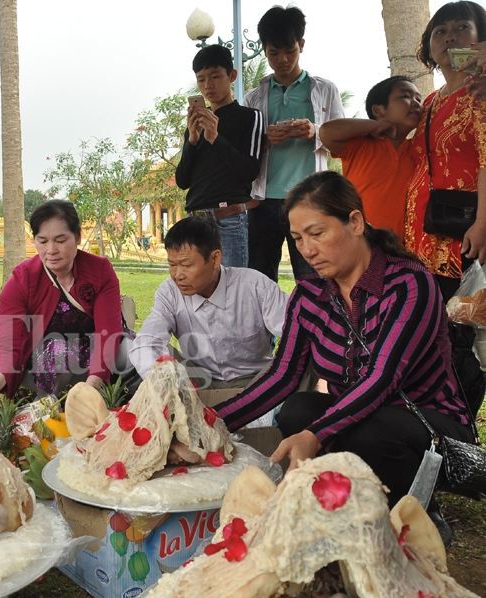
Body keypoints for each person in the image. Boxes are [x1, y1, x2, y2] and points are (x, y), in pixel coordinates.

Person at [216, 171, 473, 545]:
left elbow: (382, 378)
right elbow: (282, 376)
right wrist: (211, 422)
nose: (307, 250)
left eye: (317, 234)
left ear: (354, 222)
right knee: (297, 409)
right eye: (298, 238)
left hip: (430, 426)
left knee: (366, 428)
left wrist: (314, 435)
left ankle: (415, 505)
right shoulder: (308, 295)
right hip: (359, 415)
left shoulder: (410, 285)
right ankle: (346, 498)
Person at [0, 200, 132, 407]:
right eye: (42, 241)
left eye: (61, 240)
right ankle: (45, 407)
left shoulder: (100, 271)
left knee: (134, 349)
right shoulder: (22, 279)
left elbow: (108, 332)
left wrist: (92, 387)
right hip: (42, 362)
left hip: (96, 358)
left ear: (78, 237)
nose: (51, 250)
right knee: (56, 349)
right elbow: (9, 340)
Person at [405, 1, 486, 416]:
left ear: (480, 36)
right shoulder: (432, 101)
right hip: (424, 234)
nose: (450, 36)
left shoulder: (481, 90)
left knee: (461, 334)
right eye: (440, 31)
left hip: (468, 234)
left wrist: (484, 224)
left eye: (461, 27)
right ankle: (439, 418)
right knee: (436, 331)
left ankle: (462, 427)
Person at [245, 5, 344, 281]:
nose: (283, 59)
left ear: (301, 44)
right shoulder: (254, 97)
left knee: (312, 274)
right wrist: (265, 140)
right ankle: (263, 326)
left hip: (310, 198)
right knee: (260, 276)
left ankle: (313, 324)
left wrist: (316, 131)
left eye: (290, 51)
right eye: (274, 53)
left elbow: (342, 143)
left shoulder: (324, 89)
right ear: (264, 49)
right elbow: (244, 151)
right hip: (263, 200)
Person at [129, 217, 287, 390]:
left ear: (215, 258)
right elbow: (146, 343)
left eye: (186, 264)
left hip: (256, 383)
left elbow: (297, 331)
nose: (178, 275)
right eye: (172, 265)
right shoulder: (169, 293)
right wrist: (163, 388)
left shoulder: (255, 287)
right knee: (149, 349)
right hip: (199, 384)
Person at [175, 44, 264, 268]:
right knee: (197, 291)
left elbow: (250, 171)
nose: (208, 86)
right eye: (201, 79)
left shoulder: (250, 117)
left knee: (232, 291)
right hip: (195, 220)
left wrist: (215, 138)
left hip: (229, 220)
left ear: (232, 76)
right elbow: (182, 180)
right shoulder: (196, 125)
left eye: (215, 77)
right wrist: (193, 140)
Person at [319, 76, 423, 237]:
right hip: (361, 241)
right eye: (405, 96)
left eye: (419, 98)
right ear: (378, 111)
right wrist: (376, 126)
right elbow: (326, 132)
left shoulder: (417, 150)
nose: (416, 103)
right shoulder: (361, 144)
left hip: (404, 247)